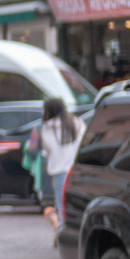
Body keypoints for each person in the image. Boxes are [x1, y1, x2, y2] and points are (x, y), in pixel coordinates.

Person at [39, 94, 85, 234]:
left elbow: (47, 150)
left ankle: (63, 233)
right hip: (75, 170)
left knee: (61, 205)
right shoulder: (76, 123)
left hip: (59, 171)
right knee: (77, 203)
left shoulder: (47, 128)